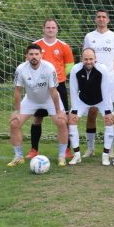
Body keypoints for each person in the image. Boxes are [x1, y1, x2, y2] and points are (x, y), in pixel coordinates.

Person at [8, 44, 68, 167]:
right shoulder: (21, 69)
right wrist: (17, 111)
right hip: (30, 100)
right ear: (26, 56)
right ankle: (18, 156)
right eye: (31, 54)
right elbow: (17, 91)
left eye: (36, 54)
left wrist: (59, 111)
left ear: (41, 55)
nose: (34, 56)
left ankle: (62, 156)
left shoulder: (49, 68)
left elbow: (53, 91)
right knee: (14, 123)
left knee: (62, 121)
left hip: (49, 100)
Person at [28, 18, 74, 160]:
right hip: (40, 87)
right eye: (48, 27)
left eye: (53, 27)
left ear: (57, 29)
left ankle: (67, 149)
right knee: (37, 118)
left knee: (63, 118)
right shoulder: (36, 45)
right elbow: (29, 63)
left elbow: (70, 65)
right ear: (43, 29)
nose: (50, 30)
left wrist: (58, 77)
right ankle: (34, 149)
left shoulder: (64, 46)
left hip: (58, 86)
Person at [81, 9, 114, 158]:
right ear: (95, 19)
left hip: (109, 83)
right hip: (91, 82)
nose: (101, 19)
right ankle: (90, 148)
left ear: (108, 20)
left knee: (109, 115)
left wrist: (108, 73)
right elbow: (84, 57)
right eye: (98, 17)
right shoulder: (89, 37)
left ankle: (109, 149)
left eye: (104, 17)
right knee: (91, 113)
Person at [66, 48, 114, 166]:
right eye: (86, 59)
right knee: (71, 120)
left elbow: (106, 91)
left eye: (91, 59)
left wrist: (108, 111)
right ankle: (77, 155)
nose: (88, 61)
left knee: (109, 120)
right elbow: (73, 90)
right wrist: (74, 110)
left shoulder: (102, 69)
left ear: (95, 59)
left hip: (101, 100)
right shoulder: (75, 69)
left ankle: (105, 155)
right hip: (83, 100)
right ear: (81, 59)